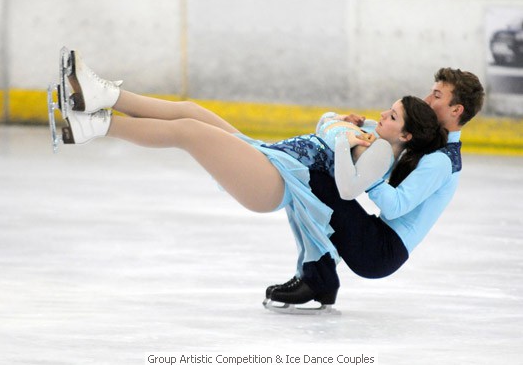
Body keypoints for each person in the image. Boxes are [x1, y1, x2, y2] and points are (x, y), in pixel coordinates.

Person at [53, 49, 447, 310]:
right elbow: (324, 127)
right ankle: (100, 94)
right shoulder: (374, 135)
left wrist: (342, 141)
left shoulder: (379, 152)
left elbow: (347, 187)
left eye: (392, 116)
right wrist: (338, 125)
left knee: (189, 131)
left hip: (277, 179)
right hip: (274, 158)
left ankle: (95, 126)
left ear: (405, 136)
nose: (383, 114)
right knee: (191, 112)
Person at [267, 68, 485, 307]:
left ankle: (317, 278)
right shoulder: (429, 139)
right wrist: (354, 125)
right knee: (315, 180)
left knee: (312, 179)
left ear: (456, 110)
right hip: (378, 238)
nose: (427, 99)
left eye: (436, 95)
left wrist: (367, 175)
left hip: (380, 251)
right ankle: (319, 277)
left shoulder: (441, 161)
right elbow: (389, 138)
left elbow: (396, 206)